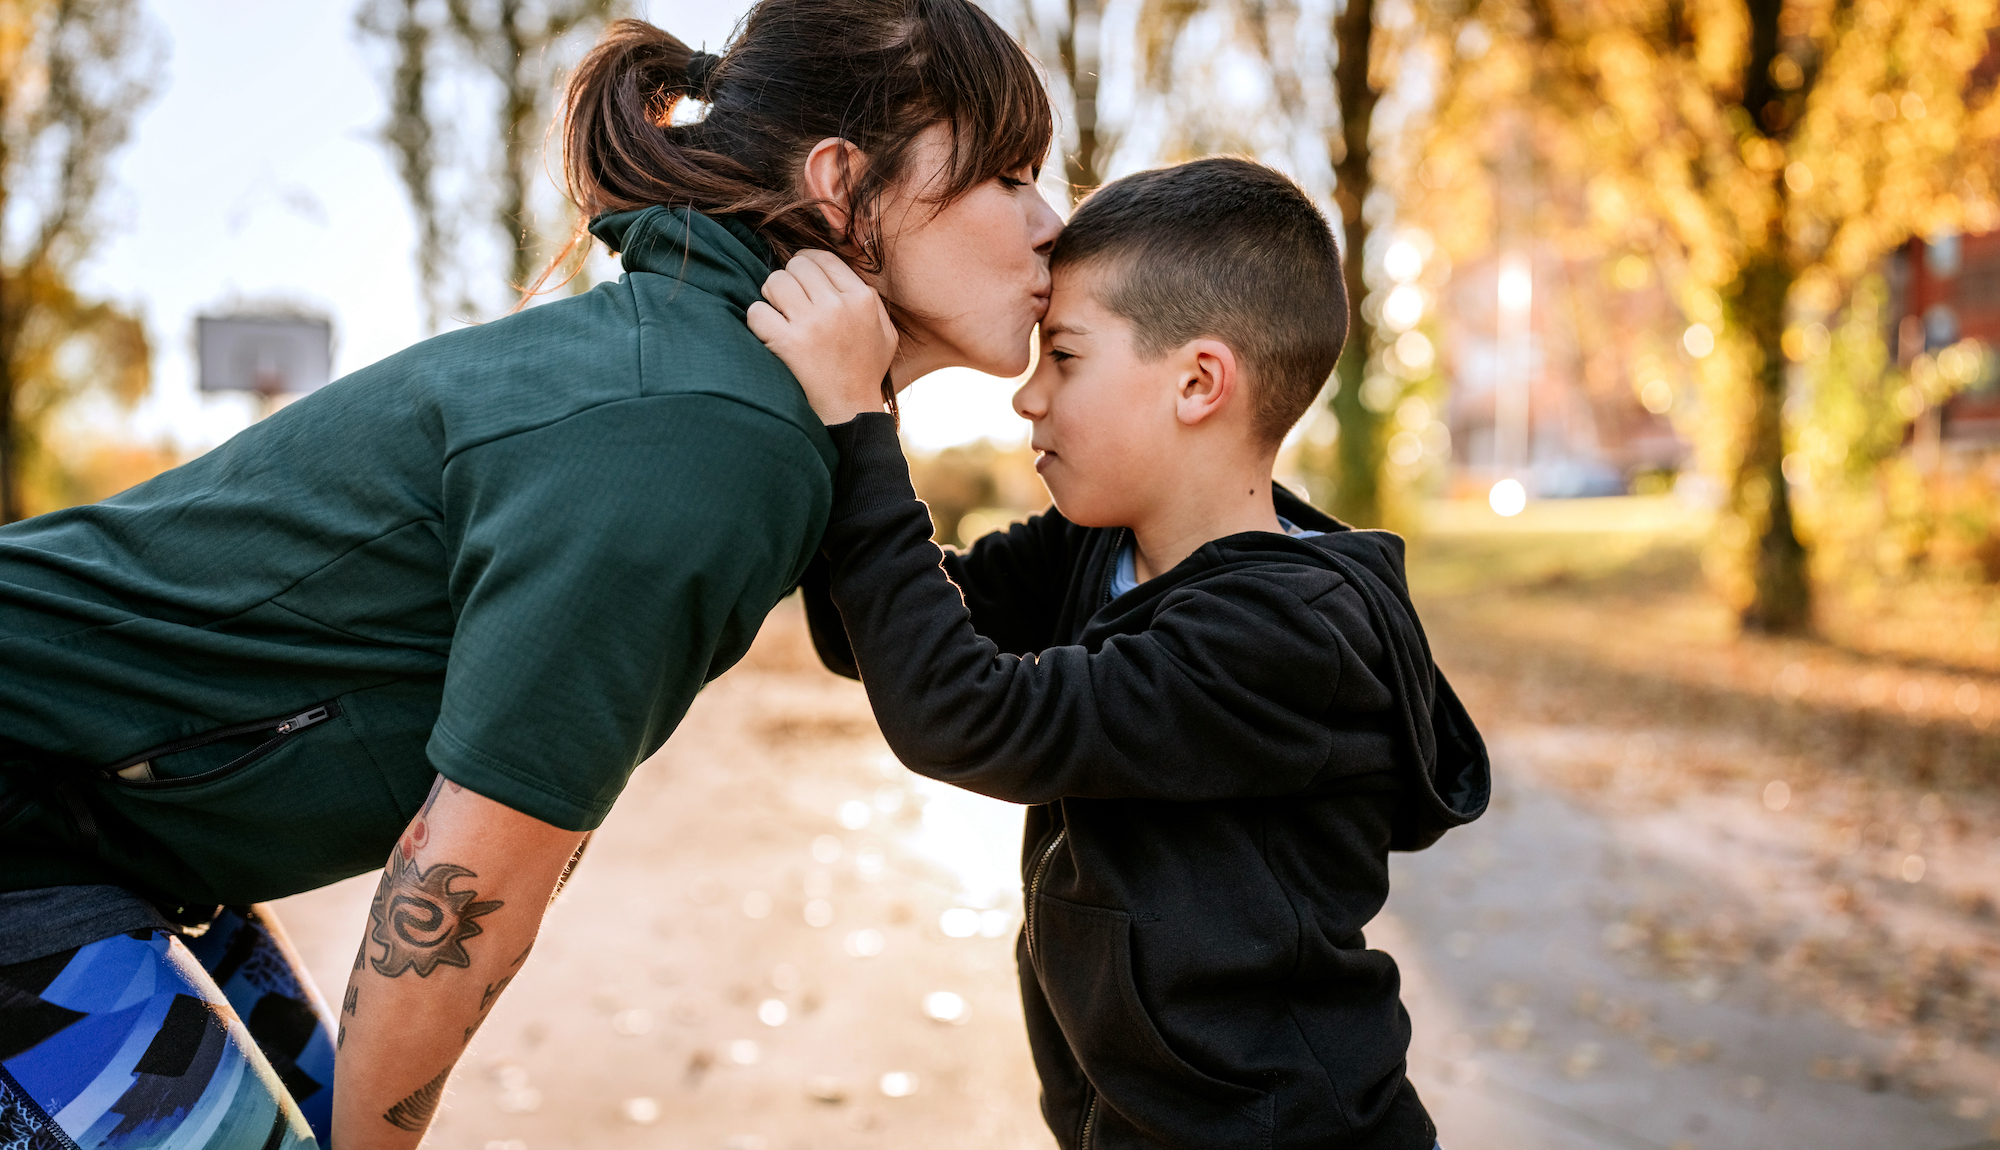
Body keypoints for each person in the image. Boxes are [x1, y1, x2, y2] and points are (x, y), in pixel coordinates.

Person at [0, 3, 1060, 1146]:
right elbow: (471, 882)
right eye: (1005, 176)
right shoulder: (699, 432)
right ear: (842, 184)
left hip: (112, 838)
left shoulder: (730, 393)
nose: (1053, 223)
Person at [754, 157, 1491, 1149]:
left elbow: (963, 713)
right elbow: (872, 631)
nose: (1026, 398)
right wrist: (861, 382)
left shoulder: (1280, 635)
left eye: (1062, 355)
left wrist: (859, 425)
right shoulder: (1097, 547)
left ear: (1196, 382)